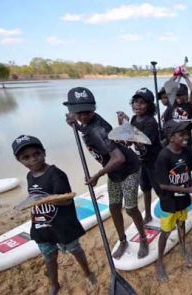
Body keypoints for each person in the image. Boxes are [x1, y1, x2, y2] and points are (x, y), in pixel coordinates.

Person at [63, 87, 149, 259]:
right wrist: (77, 126)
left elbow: (118, 158)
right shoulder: (87, 124)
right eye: (77, 113)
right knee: (113, 207)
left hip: (129, 168)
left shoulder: (100, 130)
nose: (82, 117)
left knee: (131, 208)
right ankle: (123, 240)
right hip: (113, 171)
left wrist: (97, 175)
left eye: (86, 112)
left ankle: (143, 238)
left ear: (93, 109)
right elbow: (88, 130)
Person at [12, 135, 95, 295]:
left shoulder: (56, 174)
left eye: (36, 154)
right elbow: (34, 196)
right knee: (49, 256)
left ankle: (87, 272)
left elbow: (66, 200)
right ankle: (54, 284)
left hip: (63, 225)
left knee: (75, 249)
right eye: (26, 157)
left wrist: (45, 200)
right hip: (42, 225)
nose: (33, 160)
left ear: (44, 152)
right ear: (19, 160)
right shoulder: (30, 176)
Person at [154, 120, 192, 282]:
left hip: (183, 201)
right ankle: (159, 262)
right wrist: (188, 190)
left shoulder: (186, 152)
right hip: (169, 203)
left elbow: (187, 174)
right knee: (166, 232)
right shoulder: (163, 156)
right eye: (181, 134)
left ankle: (183, 248)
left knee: (182, 224)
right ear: (171, 137)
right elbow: (163, 185)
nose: (186, 137)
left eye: (186, 133)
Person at [118, 87, 163, 224]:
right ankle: (148, 215)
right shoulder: (133, 119)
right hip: (141, 162)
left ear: (149, 106)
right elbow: (129, 140)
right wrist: (124, 126)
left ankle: (168, 216)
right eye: (135, 101)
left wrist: (126, 126)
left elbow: (141, 141)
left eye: (142, 102)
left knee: (160, 190)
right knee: (145, 188)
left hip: (154, 162)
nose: (138, 105)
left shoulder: (151, 122)